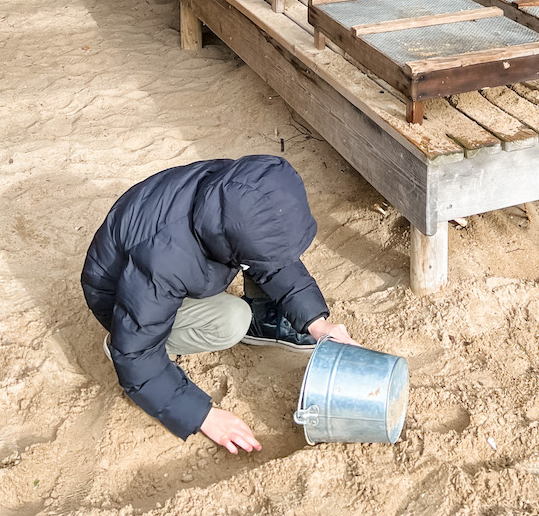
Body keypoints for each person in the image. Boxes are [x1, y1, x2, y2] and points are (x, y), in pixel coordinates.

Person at [81, 154, 355, 454]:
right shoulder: (167, 258)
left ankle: (263, 323)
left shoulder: (235, 189)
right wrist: (203, 415)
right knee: (232, 319)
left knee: (262, 252)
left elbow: (273, 254)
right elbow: (134, 354)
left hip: (155, 267)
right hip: (122, 295)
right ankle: (117, 339)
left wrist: (317, 323)